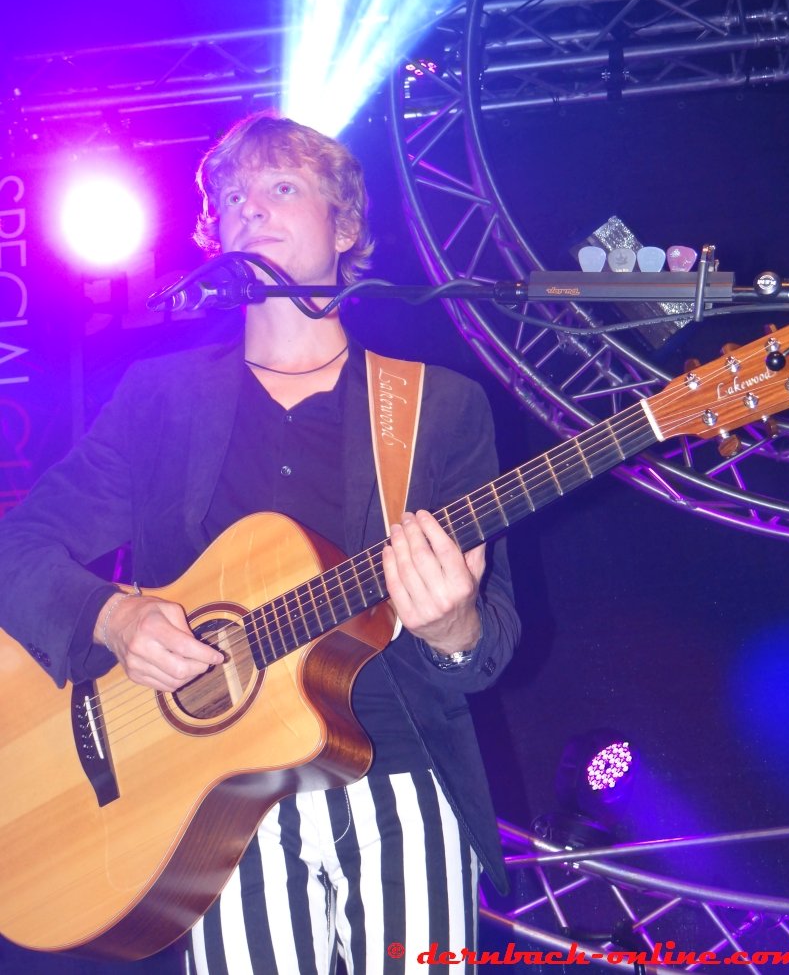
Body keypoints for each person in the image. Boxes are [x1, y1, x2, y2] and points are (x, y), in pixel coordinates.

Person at [0, 112, 519, 974]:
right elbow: (19, 548)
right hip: (216, 814)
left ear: (345, 227)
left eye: (282, 187)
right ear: (214, 235)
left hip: (402, 783)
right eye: (233, 196)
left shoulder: (437, 404)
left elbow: (489, 644)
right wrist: (114, 620)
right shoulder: (159, 400)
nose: (251, 207)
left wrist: (451, 626)